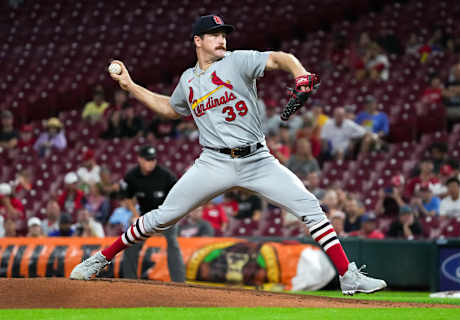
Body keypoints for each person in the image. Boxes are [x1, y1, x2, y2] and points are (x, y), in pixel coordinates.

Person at [71, 14, 386, 295]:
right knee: (163, 216)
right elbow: (170, 108)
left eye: (224, 34)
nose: (222, 39)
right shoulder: (188, 80)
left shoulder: (237, 61)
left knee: (310, 207)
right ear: (198, 41)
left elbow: (281, 58)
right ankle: (100, 259)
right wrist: (130, 86)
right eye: (214, 34)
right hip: (214, 161)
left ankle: (348, 276)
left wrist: (300, 74)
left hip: (257, 159)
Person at [117, 145, 185, 281]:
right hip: (146, 216)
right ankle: (129, 281)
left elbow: (179, 195)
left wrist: (169, 218)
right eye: (148, 159)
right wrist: (135, 215)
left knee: (173, 242)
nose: (151, 162)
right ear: (140, 160)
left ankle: (179, 282)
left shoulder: (165, 175)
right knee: (131, 241)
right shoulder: (132, 176)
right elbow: (127, 197)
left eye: (153, 159)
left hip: (166, 214)